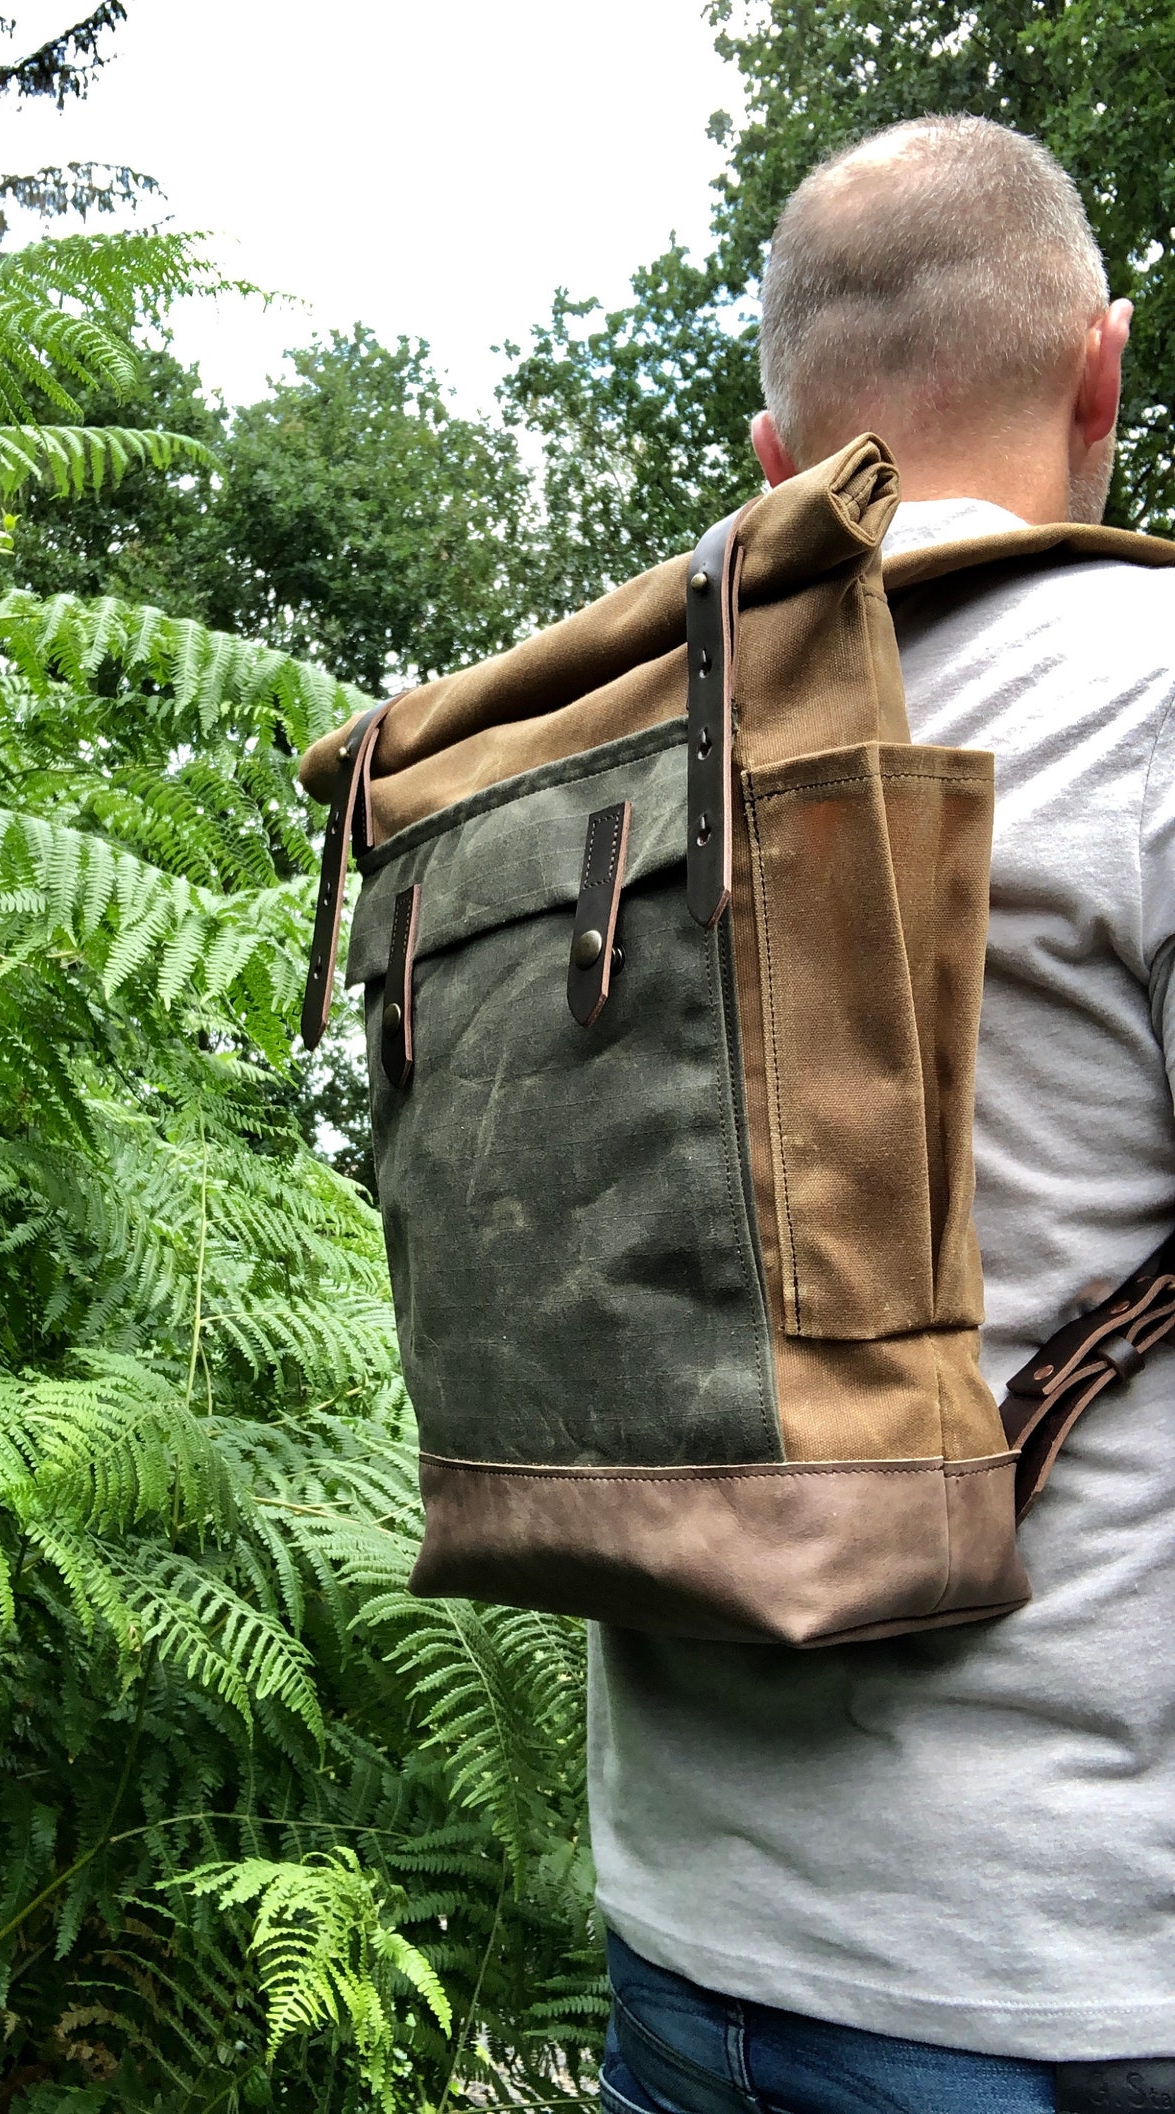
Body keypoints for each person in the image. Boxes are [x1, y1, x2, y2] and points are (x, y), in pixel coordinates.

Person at [594, 116, 1175, 2114]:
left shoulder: (629, 730)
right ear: (1099, 369)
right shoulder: (1153, 687)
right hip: (1051, 1963)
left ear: (784, 467)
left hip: (679, 1918)